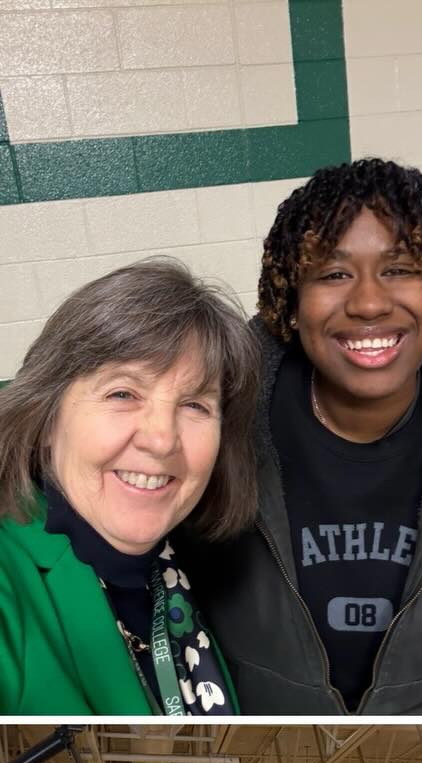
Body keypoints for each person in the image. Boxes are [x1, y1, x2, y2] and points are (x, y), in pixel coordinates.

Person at [189, 159, 422, 717]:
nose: (367, 303)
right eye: (334, 274)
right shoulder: (218, 421)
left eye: (401, 269)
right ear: (292, 298)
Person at [0, 258, 259, 715]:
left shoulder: (183, 564)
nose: (162, 439)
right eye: (123, 394)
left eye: (195, 405)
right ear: (45, 416)